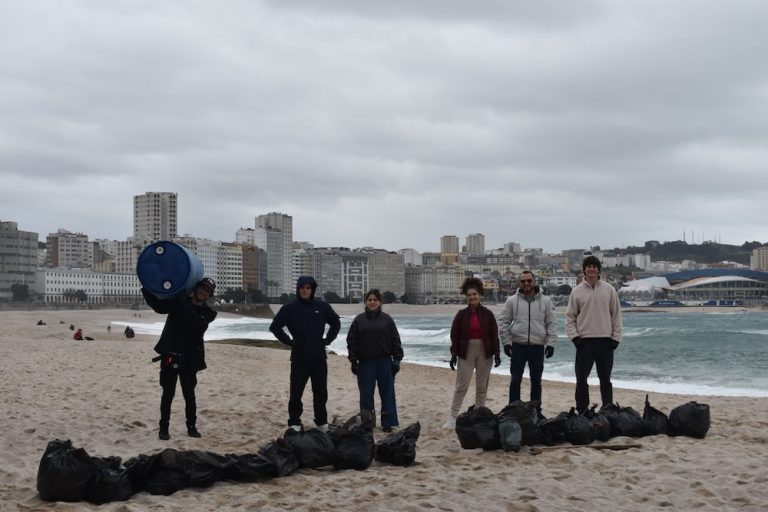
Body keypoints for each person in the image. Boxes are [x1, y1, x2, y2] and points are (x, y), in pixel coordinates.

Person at [141, 277, 217, 440]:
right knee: (167, 394)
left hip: (190, 359)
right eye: (202, 288)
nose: (203, 292)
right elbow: (159, 307)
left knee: (189, 395)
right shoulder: (179, 302)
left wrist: (182, 302)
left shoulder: (209, 313)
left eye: (207, 291)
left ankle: (191, 427)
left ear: (209, 295)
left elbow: (198, 325)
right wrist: (146, 287)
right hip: (170, 354)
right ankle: (164, 429)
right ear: (196, 288)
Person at [270, 276, 341, 432]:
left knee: (321, 392)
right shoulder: (289, 308)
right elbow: (275, 327)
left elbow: (336, 322)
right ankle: (294, 422)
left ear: (312, 290)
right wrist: (289, 341)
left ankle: (321, 422)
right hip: (299, 358)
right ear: (298, 289)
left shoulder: (322, 307)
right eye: (302, 287)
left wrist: (328, 340)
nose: (305, 290)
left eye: (308, 288)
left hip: (319, 357)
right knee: (296, 393)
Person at [565, 256, 622, 413]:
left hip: (605, 341)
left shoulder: (609, 290)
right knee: (581, 380)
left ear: (598, 269)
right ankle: (582, 410)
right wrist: (575, 338)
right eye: (588, 266)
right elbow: (570, 318)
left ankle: (608, 409)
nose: (591, 269)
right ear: (584, 269)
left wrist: (616, 338)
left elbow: (616, 315)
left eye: (594, 266)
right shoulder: (576, 292)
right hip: (584, 342)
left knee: (605, 380)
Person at [346, 289, 404, 433]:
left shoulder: (387, 319)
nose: (372, 302)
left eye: (375, 300)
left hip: (384, 361)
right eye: (369, 300)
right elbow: (351, 341)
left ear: (380, 302)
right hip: (365, 363)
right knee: (366, 394)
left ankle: (388, 423)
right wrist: (353, 360)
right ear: (365, 301)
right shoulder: (358, 320)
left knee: (387, 393)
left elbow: (395, 340)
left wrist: (396, 360)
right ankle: (367, 423)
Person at [446, 277, 501, 427]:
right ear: (466, 296)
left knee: (481, 386)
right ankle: (452, 417)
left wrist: (497, 354)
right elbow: (454, 335)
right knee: (461, 386)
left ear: (480, 295)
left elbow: (494, 334)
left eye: (474, 294)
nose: (472, 297)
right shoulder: (461, 314)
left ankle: (479, 415)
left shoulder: (488, 314)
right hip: (466, 352)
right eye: (469, 295)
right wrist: (453, 354)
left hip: (485, 351)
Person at [498, 270, 557, 405]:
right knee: (515, 381)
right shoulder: (512, 301)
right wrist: (506, 343)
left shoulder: (546, 301)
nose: (526, 283)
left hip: (537, 346)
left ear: (534, 281)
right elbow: (503, 322)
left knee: (536, 381)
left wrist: (551, 344)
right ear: (520, 283)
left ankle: (535, 411)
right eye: (523, 281)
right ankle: (513, 410)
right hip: (518, 346)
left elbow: (551, 324)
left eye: (529, 280)